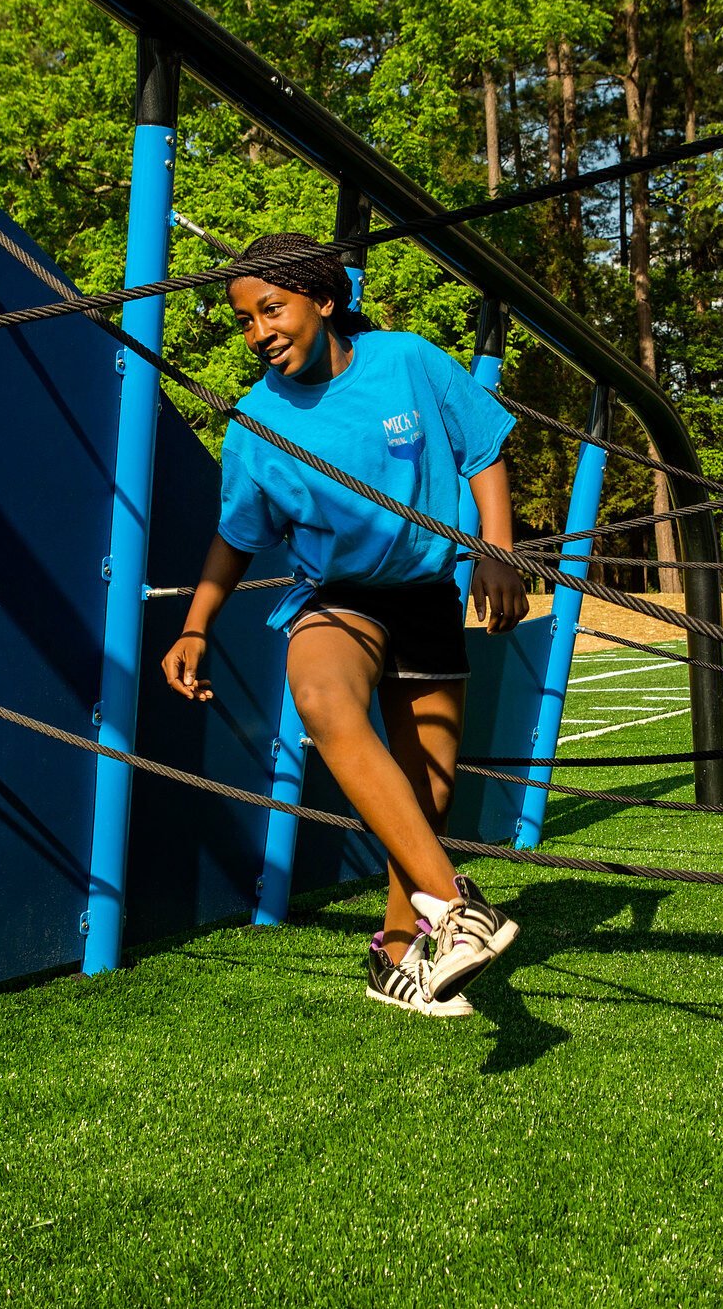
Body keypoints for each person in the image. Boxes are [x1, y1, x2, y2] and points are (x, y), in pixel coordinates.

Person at [160, 232, 528, 1017]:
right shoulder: (254, 424)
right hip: (339, 596)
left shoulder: (408, 361)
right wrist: (196, 624)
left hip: (427, 592)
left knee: (425, 792)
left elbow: (484, 447)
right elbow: (236, 536)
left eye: (272, 308)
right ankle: (461, 909)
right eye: (245, 320)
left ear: (324, 301)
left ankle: (398, 954)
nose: (259, 331)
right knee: (324, 699)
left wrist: (498, 551)